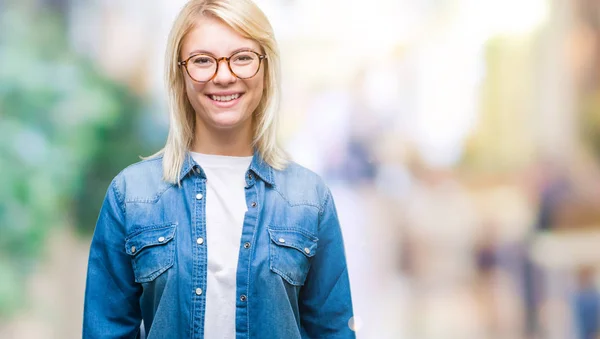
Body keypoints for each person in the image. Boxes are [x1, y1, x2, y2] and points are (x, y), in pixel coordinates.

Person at [82, 1, 355, 338]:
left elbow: (332, 331)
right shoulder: (131, 195)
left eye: (242, 57)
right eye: (202, 61)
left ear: (266, 68)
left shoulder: (309, 198)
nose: (223, 76)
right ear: (180, 74)